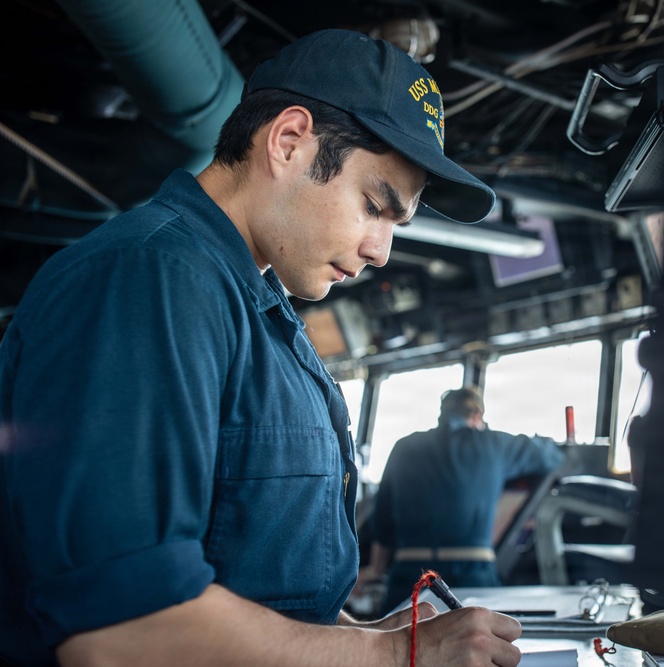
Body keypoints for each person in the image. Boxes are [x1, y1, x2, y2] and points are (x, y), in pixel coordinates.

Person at [0, 29, 523, 667]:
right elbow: (123, 630)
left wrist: (372, 636)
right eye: (372, 206)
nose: (380, 251)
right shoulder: (148, 280)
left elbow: (260, 589)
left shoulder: (258, 311)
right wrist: (393, 659)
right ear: (288, 142)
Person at [357, 386, 566, 615]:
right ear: (477, 417)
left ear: (441, 414)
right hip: (472, 576)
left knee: (397, 643)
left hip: (409, 577)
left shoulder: (404, 447)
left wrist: (375, 570)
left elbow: (382, 520)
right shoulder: (493, 443)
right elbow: (552, 456)